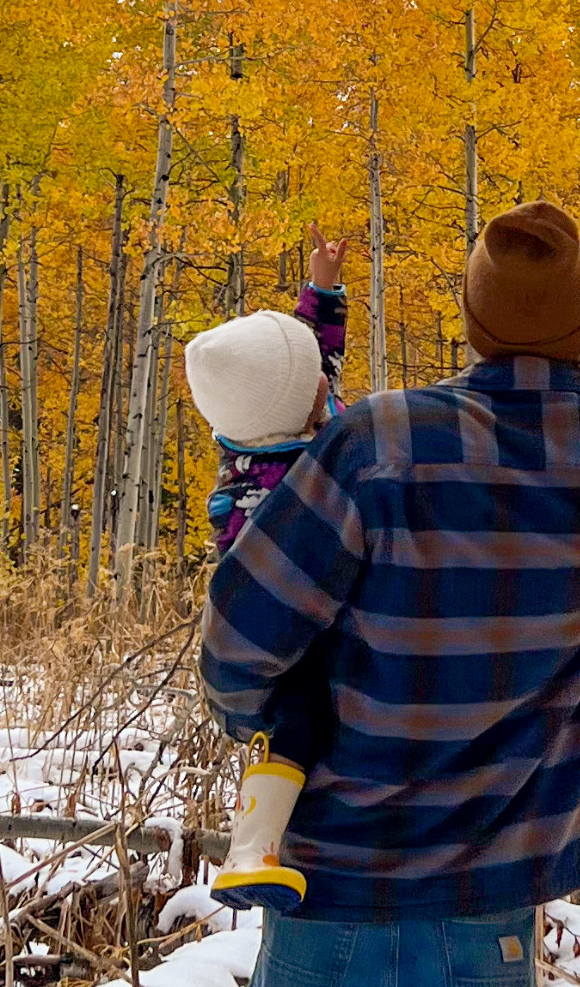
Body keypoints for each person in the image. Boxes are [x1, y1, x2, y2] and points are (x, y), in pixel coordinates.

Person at [198, 121, 580, 987]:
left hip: (335, 885)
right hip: (493, 903)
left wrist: (273, 726)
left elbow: (239, 641)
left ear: (473, 319)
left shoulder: (382, 442)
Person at [180, 224, 355, 913]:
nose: (326, 375)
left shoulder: (278, 420)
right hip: (284, 639)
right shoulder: (279, 484)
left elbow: (311, 362)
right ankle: (251, 850)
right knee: (296, 725)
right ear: (297, 403)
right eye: (314, 376)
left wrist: (323, 288)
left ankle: (261, 841)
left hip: (293, 626)